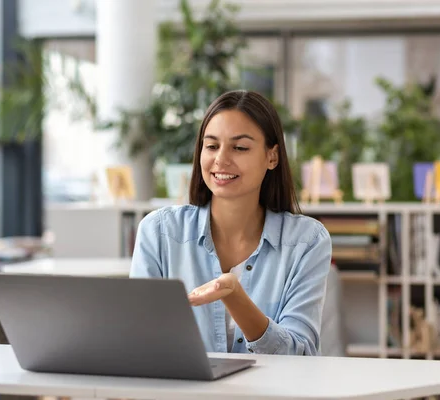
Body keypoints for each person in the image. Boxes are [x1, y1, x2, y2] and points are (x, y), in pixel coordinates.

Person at [130, 90, 332, 356]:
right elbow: (136, 340)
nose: (221, 160)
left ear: (272, 157)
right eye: (212, 146)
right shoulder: (159, 232)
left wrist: (235, 297)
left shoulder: (307, 241)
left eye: (240, 147)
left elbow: (301, 355)